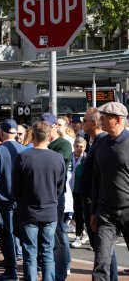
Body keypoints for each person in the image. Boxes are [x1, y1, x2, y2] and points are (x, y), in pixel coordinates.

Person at [13, 121, 65, 281]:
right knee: (48, 252)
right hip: (49, 211)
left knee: (30, 253)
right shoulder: (57, 158)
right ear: (49, 137)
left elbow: (16, 188)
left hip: (29, 211)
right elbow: (60, 188)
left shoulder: (23, 157)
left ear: (33, 136)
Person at [91, 102, 129, 280]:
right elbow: (96, 178)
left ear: (119, 120)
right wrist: (94, 211)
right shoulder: (100, 143)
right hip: (106, 211)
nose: (101, 120)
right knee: (101, 261)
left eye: (106, 117)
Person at [0, 119, 25, 281]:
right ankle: (28, 270)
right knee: (23, 235)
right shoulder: (24, 149)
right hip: (22, 200)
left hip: (5, 200)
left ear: (2, 132)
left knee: (8, 235)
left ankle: (12, 271)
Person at [81, 107, 118, 281]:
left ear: (94, 123)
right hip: (93, 201)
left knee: (104, 250)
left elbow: (98, 177)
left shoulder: (102, 142)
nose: (82, 123)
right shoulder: (95, 142)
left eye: (84, 120)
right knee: (102, 250)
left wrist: (94, 205)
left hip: (99, 203)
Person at [41, 113, 72, 281]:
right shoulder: (46, 143)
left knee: (59, 234)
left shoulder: (63, 144)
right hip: (45, 195)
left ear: (55, 126)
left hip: (57, 195)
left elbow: (59, 165)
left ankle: (63, 268)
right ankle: (50, 269)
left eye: (48, 125)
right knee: (49, 236)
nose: (45, 127)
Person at [69, 137, 88, 248]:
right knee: (76, 213)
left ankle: (78, 235)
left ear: (85, 147)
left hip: (82, 191)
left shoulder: (87, 158)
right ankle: (83, 233)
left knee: (80, 213)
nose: (79, 148)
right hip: (70, 190)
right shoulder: (69, 156)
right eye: (77, 146)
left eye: (81, 146)